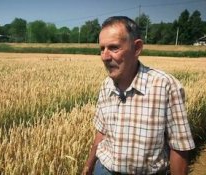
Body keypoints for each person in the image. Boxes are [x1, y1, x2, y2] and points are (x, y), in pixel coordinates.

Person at [82, 16, 195, 175]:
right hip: (103, 170)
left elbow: (179, 146)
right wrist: (88, 167)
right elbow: (102, 132)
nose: (104, 57)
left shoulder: (165, 86)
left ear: (137, 48)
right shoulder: (106, 85)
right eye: (102, 48)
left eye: (114, 48)